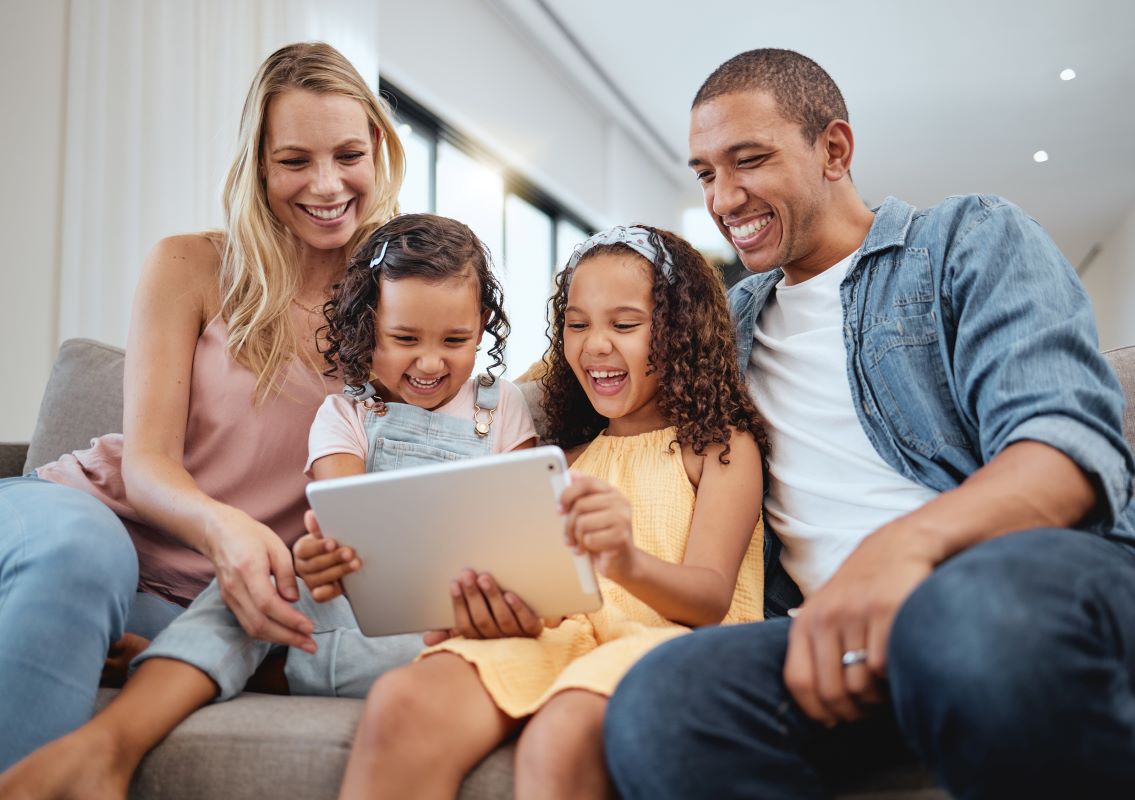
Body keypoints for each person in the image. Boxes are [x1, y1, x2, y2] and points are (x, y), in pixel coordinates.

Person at [603, 48, 1135, 799]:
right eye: (704, 173)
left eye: (747, 160)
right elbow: (594, 378)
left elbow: (1065, 451)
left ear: (834, 149)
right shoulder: (728, 329)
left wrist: (899, 552)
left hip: (1024, 590)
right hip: (827, 638)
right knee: (662, 702)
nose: (723, 198)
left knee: (974, 616)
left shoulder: (965, 239)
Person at [0, 213, 541, 798]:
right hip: (365, 596)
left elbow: (524, 523)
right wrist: (321, 558)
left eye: (455, 341)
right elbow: (348, 521)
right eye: (405, 339)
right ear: (368, 327)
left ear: (483, 326)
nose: (431, 363)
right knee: (255, 589)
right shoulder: (345, 414)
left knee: (448, 659)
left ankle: (200, 664)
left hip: (454, 612)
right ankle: (105, 747)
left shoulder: (503, 407)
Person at [0, 41, 404, 770]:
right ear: (257, 163)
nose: (325, 184)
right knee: (82, 555)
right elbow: (148, 466)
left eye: (347, 155)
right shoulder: (191, 265)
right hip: (89, 520)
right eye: (293, 160)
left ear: (377, 149)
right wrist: (229, 530)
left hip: (202, 602)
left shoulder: (403, 299)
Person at [332, 224, 768, 800]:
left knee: (562, 737)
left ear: (682, 333)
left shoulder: (719, 448)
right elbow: (537, 595)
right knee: (402, 701)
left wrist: (624, 561)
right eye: (577, 323)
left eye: (625, 325)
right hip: (562, 642)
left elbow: (710, 600)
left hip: (673, 648)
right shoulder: (560, 461)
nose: (595, 345)